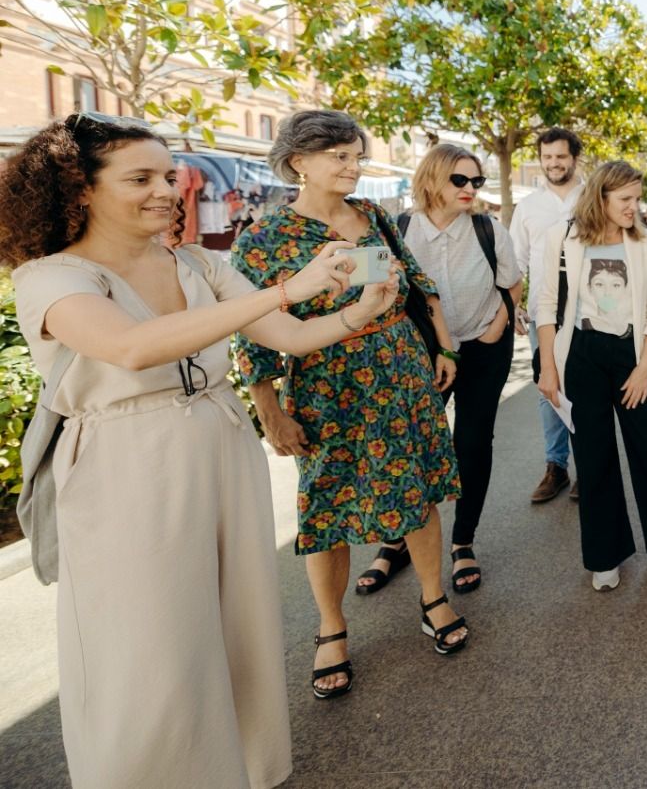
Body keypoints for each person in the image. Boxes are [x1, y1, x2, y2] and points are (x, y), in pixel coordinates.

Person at [1, 113, 398, 788]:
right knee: (149, 645)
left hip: (220, 444)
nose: (165, 190)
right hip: (127, 463)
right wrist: (287, 289)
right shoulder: (49, 277)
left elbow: (288, 337)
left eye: (167, 175)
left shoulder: (198, 263)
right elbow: (130, 347)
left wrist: (358, 311)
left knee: (237, 623)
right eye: (140, 179)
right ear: (81, 188)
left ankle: (240, 770)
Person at [232, 109, 469, 702]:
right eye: (338, 156)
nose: (353, 166)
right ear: (298, 162)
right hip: (325, 386)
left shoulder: (373, 216)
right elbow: (251, 333)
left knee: (415, 488)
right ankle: (331, 628)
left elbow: (417, 282)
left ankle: (433, 598)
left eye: (356, 156)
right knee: (328, 507)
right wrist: (269, 409)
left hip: (401, 372)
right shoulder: (263, 240)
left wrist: (443, 347)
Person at [535, 160, 647, 590]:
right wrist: (548, 368)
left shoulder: (642, 240)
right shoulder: (562, 237)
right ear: (602, 197)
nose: (635, 206)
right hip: (581, 354)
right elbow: (546, 305)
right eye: (626, 199)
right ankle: (606, 555)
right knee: (593, 459)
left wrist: (644, 367)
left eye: (637, 198)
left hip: (632, 354)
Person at [400, 144, 522, 593]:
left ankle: (462, 541)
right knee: (412, 445)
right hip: (424, 354)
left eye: (477, 180)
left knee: (471, 442)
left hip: (484, 346)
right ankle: (398, 539)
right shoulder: (400, 230)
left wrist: (497, 327)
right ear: (432, 179)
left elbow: (513, 283)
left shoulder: (489, 229)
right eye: (460, 180)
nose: (470, 188)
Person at [510, 126, 583, 504]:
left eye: (560, 156)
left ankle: (589, 466)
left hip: (589, 312)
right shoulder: (528, 207)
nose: (553, 163)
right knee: (547, 388)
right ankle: (556, 466)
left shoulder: (593, 198)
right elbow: (515, 261)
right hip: (544, 313)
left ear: (574, 158)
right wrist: (514, 305)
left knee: (587, 388)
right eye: (547, 157)